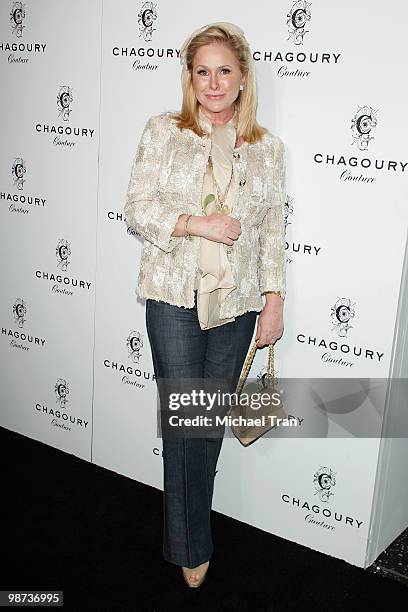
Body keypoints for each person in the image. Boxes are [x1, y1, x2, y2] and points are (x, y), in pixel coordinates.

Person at [124, 22, 286, 588]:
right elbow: (137, 209)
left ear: (243, 79)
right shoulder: (164, 131)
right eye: (202, 71)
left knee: (206, 423)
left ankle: (190, 530)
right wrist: (199, 225)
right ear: (189, 79)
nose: (213, 82)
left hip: (237, 306)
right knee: (184, 423)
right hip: (174, 297)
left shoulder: (267, 151)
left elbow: (271, 233)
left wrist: (274, 301)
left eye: (224, 71)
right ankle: (192, 544)